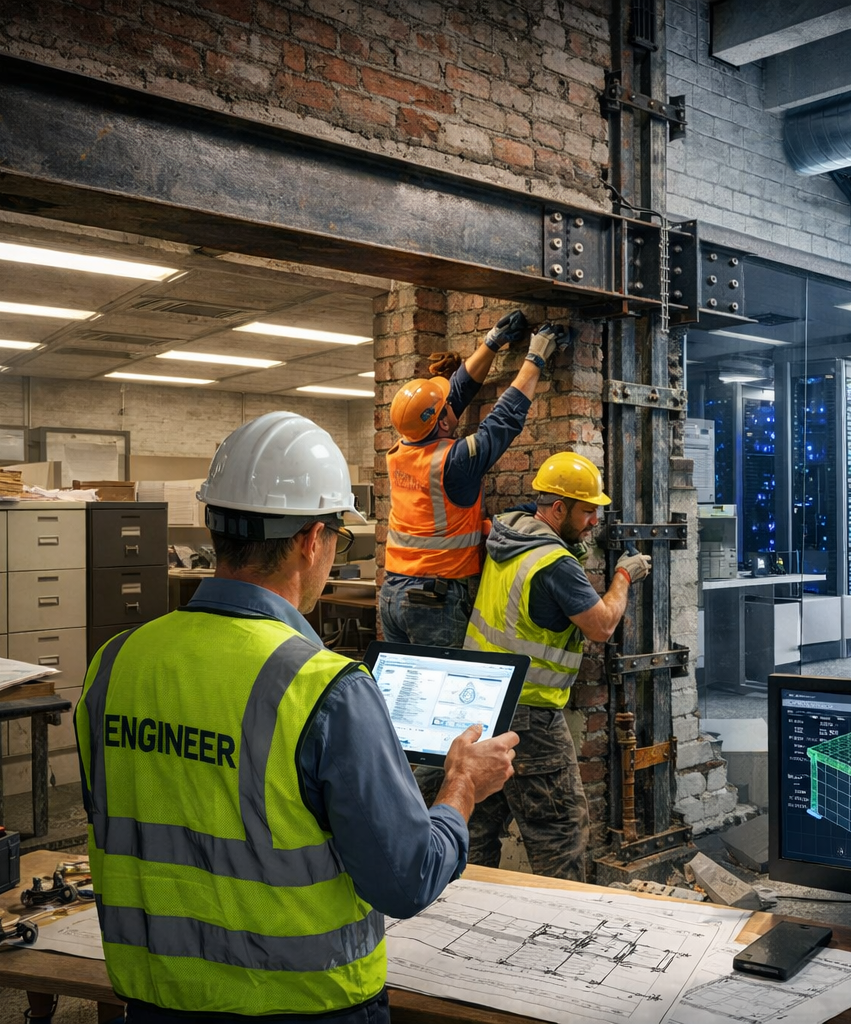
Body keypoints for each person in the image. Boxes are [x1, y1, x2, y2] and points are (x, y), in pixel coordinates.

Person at [75, 412, 518, 1023]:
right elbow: (407, 880)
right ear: (312, 539)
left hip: (156, 1001)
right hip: (306, 1004)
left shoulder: (113, 664)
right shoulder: (326, 689)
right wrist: (462, 784)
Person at [462, 451, 652, 881]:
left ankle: (469, 906)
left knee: (477, 826)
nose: (594, 522)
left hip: (483, 704)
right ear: (559, 508)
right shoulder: (554, 562)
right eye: (587, 512)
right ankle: (561, 915)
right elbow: (601, 625)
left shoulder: (509, 536)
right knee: (559, 832)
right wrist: (623, 576)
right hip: (529, 716)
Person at [380, 311, 569, 648]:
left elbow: (454, 395)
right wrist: (535, 357)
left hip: (392, 593)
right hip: (432, 601)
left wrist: (492, 343)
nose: (450, 400)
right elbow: (504, 420)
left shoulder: (401, 449)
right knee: (443, 681)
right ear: (442, 423)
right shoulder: (454, 463)